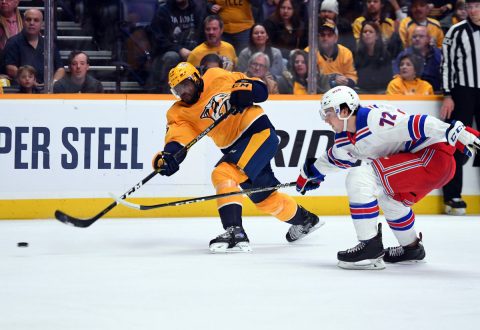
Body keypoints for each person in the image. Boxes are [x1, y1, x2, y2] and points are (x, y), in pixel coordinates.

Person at [295, 86, 480, 270]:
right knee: (390, 199)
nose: (325, 119)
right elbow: (332, 159)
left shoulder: (375, 119)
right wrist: (309, 174)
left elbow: (418, 123)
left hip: (432, 158)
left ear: (344, 110)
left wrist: (455, 133)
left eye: (328, 113)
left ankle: (369, 248)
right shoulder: (344, 138)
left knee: (360, 177)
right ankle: (411, 248)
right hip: (423, 164)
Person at [152, 62, 323, 253]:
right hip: (238, 150)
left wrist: (246, 91)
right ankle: (306, 220)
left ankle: (234, 231)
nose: (182, 92)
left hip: (258, 133)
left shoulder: (215, 75)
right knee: (265, 199)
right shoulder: (179, 111)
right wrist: (167, 158)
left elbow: (257, 87)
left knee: (223, 173)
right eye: (177, 89)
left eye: (185, 85)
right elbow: (177, 139)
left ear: (195, 78)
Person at [440, 0, 480, 215]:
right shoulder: (455, 32)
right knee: (457, 142)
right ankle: (452, 196)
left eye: (477, 5)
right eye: (470, 6)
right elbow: (446, 64)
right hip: (462, 91)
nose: (473, 10)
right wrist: (448, 94)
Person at [147, 0, 205, 93]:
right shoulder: (163, 11)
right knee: (172, 56)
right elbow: (158, 40)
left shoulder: (197, 10)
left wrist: (198, 51)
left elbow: (203, 35)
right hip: (166, 54)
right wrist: (179, 49)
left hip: (193, 51)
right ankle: (168, 93)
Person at [3, 8, 64, 85]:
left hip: (46, 91)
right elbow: (10, 68)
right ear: (23, 22)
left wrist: (52, 83)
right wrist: (29, 80)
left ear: (42, 24)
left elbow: (60, 69)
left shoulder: (48, 44)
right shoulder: (13, 42)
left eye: (36, 20)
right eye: (28, 19)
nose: (32, 23)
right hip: (21, 91)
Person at [305, 22, 358, 89]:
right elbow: (309, 78)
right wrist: (333, 80)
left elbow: (352, 76)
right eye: (322, 35)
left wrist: (346, 82)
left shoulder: (346, 53)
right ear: (318, 37)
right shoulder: (309, 52)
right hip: (316, 92)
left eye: (329, 35)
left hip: (340, 92)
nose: (325, 38)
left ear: (336, 38)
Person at [392, 25, 442, 90]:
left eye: (421, 36)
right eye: (414, 37)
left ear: (429, 38)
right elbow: (396, 75)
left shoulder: (438, 54)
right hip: (410, 93)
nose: (417, 39)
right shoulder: (404, 54)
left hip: (436, 93)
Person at [354, 20, 393, 93]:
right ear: (361, 36)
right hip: (362, 90)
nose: (367, 33)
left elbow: (388, 77)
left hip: (381, 91)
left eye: (370, 32)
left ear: (377, 36)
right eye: (365, 32)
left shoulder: (385, 54)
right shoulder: (357, 54)